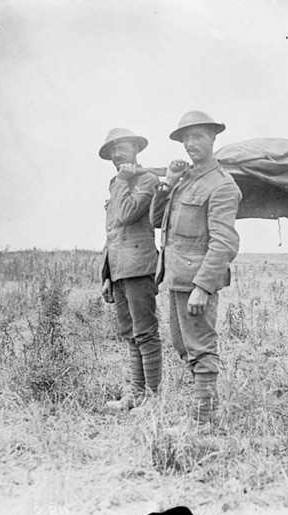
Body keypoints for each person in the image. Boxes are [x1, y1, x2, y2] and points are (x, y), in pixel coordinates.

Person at [150, 110, 241, 424]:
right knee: (182, 344)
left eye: (198, 136)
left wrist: (203, 287)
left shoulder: (222, 186)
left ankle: (204, 420)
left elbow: (224, 243)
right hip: (176, 277)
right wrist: (168, 183)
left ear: (213, 138)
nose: (191, 143)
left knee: (200, 346)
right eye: (186, 138)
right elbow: (156, 222)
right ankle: (202, 408)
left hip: (196, 282)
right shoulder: (184, 181)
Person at [98, 128, 162, 411]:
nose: (116, 155)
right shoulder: (117, 183)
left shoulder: (146, 180)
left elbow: (126, 215)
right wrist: (106, 275)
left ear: (136, 149)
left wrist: (124, 179)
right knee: (129, 334)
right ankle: (135, 395)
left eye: (121, 149)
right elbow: (111, 232)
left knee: (145, 333)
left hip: (139, 266)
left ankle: (152, 398)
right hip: (120, 268)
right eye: (112, 151)